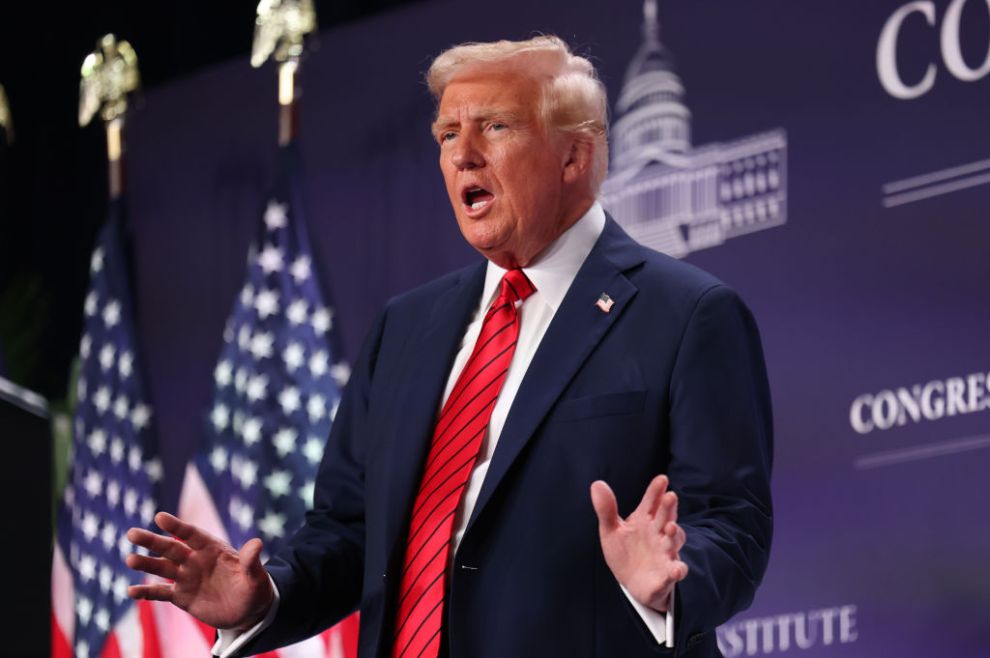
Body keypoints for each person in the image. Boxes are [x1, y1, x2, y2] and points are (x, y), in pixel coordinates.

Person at [127, 35, 773, 658]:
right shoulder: (405, 329)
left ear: (574, 158)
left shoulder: (686, 316)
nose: (462, 154)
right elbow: (348, 531)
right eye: (446, 135)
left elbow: (732, 525)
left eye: (494, 127)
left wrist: (670, 577)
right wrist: (267, 595)